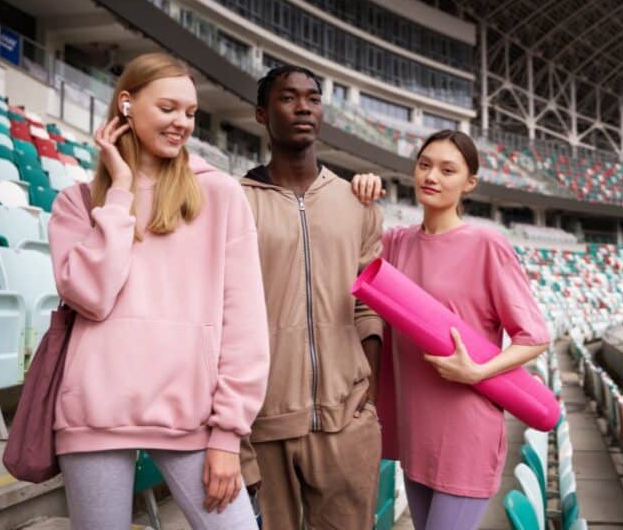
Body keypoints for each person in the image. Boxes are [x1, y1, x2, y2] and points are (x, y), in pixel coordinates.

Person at [48, 52, 269, 529]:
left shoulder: (222, 195)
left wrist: (228, 434)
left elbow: (245, 323)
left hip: (191, 417)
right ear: (126, 105)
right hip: (94, 414)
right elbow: (91, 296)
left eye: (190, 113)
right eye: (168, 108)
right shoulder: (78, 203)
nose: (182, 123)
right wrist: (120, 193)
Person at [352, 129, 551, 530]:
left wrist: (476, 372)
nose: (432, 177)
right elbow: (346, 257)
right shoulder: (395, 243)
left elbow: (535, 336)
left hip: (466, 430)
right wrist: (359, 198)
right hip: (414, 429)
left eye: (447, 170)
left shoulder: (487, 245)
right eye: (424, 165)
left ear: (469, 183)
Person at [240, 65, 384, 529]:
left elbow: (369, 303)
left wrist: (370, 387)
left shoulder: (356, 202)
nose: (303, 106)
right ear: (262, 114)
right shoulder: (235, 200)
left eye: (313, 98)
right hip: (264, 424)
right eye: (288, 98)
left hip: (346, 419)